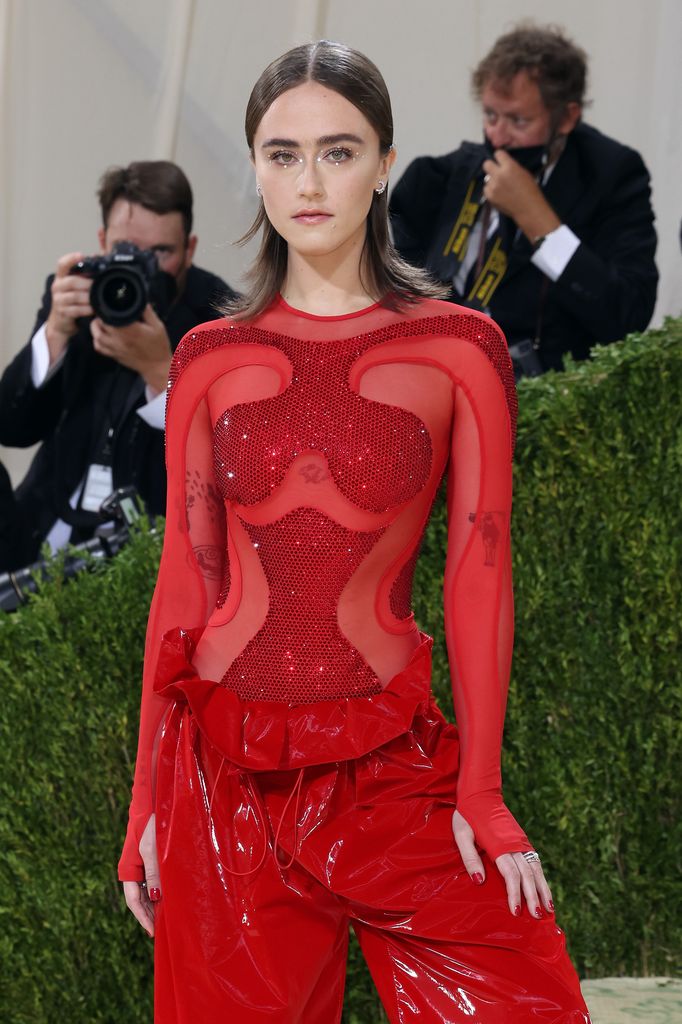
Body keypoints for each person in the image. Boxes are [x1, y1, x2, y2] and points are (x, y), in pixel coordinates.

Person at [120, 42, 591, 1023]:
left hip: (384, 761)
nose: (307, 179)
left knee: (521, 996)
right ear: (253, 166)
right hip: (221, 771)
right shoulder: (209, 358)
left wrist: (482, 788)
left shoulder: (461, 348)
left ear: (384, 164)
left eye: (337, 152)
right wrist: (145, 808)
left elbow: (480, 574)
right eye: (281, 153)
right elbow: (183, 588)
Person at [0, 161, 236, 569]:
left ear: (190, 250)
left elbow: (222, 472)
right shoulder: (85, 291)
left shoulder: (218, 319)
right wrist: (55, 333)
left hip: (142, 551)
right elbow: (12, 427)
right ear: (102, 242)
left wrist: (163, 373)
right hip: (44, 524)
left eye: (160, 252)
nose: (138, 269)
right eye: (124, 250)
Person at [389, 23, 658, 378]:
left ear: (567, 118)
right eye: (490, 115)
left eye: (518, 120)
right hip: (443, 376)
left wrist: (540, 223)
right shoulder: (440, 180)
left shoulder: (611, 176)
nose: (498, 136)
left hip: (550, 396)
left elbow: (628, 315)